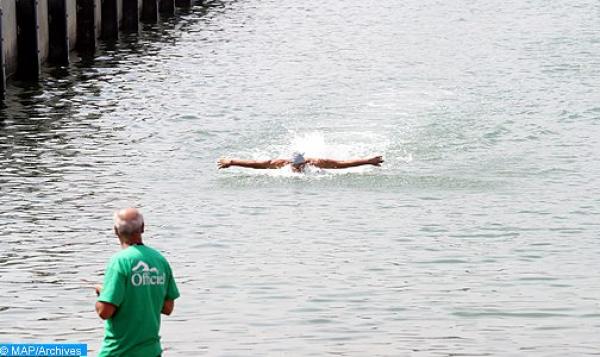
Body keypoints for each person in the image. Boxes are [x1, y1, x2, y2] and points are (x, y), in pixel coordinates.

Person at [95, 208, 180, 357]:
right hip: (151, 352)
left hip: (120, 352)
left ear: (116, 231)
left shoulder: (119, 262)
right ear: (142, 228)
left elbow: (104, 312)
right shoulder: (160, 260)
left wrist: (103, 293)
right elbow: (167, 308)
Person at [218, 152, 384, 173]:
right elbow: (256, 164)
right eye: (294, 167)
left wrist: (368, 161)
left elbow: (343, 163)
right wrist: (231, 161)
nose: (297, 170)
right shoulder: (280, 163)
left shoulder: (318, 163)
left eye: (300, 167)